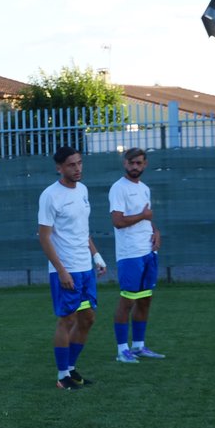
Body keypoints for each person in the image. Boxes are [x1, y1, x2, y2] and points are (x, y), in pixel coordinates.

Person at [38, 146, 107, 390]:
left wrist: (96, 256)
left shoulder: (83, 191)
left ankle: (70, 369)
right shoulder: (50, 195)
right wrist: (62, 270)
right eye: (71, 165)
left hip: (85, 269)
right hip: (65, 270)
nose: (77, 168)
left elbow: (82, 230)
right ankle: (61, 376)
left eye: (79, 163)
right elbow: (44, 237)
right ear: (59, 168)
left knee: (87, 318)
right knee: (67, 321)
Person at [109, 147, 165, 363]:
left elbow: (147, 218)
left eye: (139, 163)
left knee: (145, 300)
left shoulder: (144, 188)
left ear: (145, 164)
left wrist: (156, 231)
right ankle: (122, 350)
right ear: (125, 163)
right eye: (131, 163)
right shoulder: (118, 188)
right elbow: (118, 221)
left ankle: (139, 346)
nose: (135, 167)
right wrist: (143, 215)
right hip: (130, 254)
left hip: (148, 252)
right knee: (127, 301)